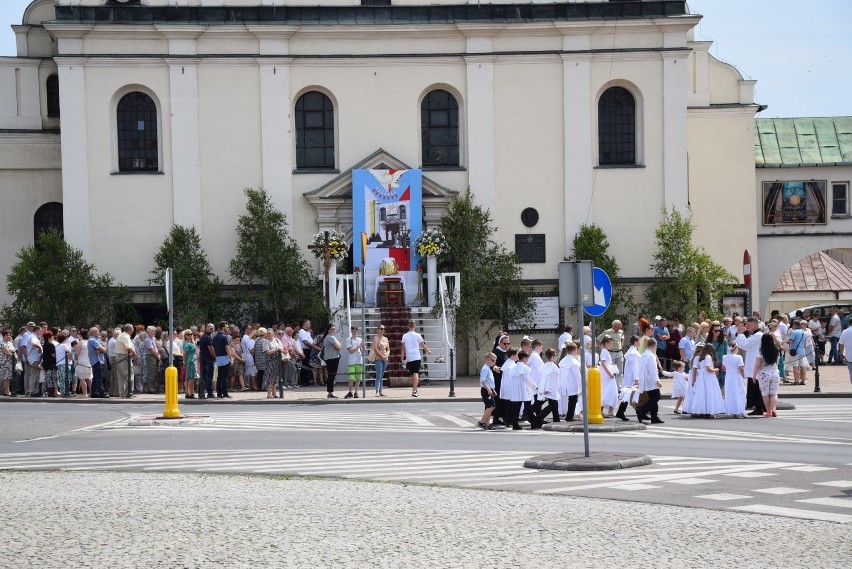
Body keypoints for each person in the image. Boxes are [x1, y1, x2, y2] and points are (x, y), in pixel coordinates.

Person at [736, 318, 766, 416]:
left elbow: (745, 345)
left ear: (754, 325)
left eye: (748, 325)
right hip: (753, 363)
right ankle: (759, 407)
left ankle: (759, 407)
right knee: (755, 386)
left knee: (757, 387)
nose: (747, 327)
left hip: (755, 364)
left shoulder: (758, 335)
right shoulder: (756, 335)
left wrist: (740, 334)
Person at [689, 344, 725, 418]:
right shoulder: (708, 357)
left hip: (702, 377)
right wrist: (716, 369)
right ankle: (709, 411)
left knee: (702, 394)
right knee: (709, 393)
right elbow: (708, 368)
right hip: (708, 377)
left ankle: (701, 410)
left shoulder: (702, 357)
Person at [506, 351, 540, 430]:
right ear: (524, 358)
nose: (527, 360)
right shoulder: (525, 368)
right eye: (527, 358)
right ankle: (534, 424)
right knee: (528, 409)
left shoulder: (514, 368)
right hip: (524, 391)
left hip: (516, 391)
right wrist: (535, 387)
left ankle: (515, 424)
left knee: (516, 409)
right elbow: (528, 380)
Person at [635, 338, 664, 424]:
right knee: (656, 396)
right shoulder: (651, 356)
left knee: (652, 397)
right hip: (651, 379)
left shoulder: (644, 354)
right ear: (654, 346)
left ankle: (654, 417)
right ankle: (641, 410)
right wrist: (657, 380)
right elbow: (653, 370)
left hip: (645, 379)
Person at [400, 319, 431, 398]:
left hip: (409, 357)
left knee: (411, 374)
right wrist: (428, 351)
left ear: (408, 326)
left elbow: (403, 348)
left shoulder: (404, 336)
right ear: (415, 326)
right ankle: (414, 390)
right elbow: (422, 345)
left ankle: (414, 389)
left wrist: (402, 358)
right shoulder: (418, 335)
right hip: (416, 356)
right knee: (416, 373)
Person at [754, 333, 781, 417]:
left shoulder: (761, 351)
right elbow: (778, 362)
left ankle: (768, 411)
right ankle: (774, 409)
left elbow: (758, 365)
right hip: (775, 372)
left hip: (764, 373)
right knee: (774, 393)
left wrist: (754, 375)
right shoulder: (776, 350)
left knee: (765, 394)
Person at [616, 336, 641, 421]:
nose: (640, 343)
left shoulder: (631, 352)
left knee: (628, 395)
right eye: (639, 341)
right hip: (633, 378)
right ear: (635, 342)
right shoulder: (634, 353)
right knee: (632, 395)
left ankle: (620, 412)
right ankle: (640, 413)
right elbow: (635, 367)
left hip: (629, 377)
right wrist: (637, 379)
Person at [536, 348, 561, 423]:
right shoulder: (553, 366)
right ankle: (539, 417)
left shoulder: (545, 365)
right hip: (551, 388)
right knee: (553, 404)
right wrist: (548, 388)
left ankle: (556, 419)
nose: (556, 356)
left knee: (554, 403)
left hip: (548, 387)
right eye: (555, 355)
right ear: (552, 356)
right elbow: (550, 379)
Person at [597, 320, 624, 386]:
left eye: (620, 326)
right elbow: (598, 339)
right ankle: (610, 384)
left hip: (619, 352)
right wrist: (603, 347)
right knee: (610, 369)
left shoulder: (621, 332)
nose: (620, 327)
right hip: (611, 353)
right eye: (618, 326)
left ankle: (619, 387)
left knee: (620, 371)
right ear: (614, 326)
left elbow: (622, 338)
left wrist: (621, 344)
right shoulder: (608, 332)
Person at [560, 343, 582, 421]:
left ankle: (569, 416)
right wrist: (582, 384)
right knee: (573, 400)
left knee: (571, 400)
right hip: (572, 383)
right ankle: (569, 417)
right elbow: (577, 375)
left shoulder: (563, 360)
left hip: (565, 383)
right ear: (575, 350)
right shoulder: (574, 361)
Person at [723, 346, 746, 418]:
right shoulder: (738, 357)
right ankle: (739, 410)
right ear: (735, 348)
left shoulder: (725, 357)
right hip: (736, 375)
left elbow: (724, 366)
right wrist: (744, 375)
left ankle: (732, 410)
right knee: (739, 391)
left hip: (729, 375)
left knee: (730, 392)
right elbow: (741, 368)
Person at [598, 336, 618, 417]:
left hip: (607, 375)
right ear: (606, 343)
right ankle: (606, 410)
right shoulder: (604, 351)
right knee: (608, 392)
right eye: (611, 343)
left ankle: (609, 410)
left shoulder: (605, 351)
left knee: (610, 392)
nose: (612, 345)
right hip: (606, 375)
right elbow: (603, 363)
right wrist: (609, 373)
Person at [322, 324, 342, 399]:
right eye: (332, 329)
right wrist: (338, 345)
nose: (333, 330)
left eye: (334, 329)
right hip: (332, 358)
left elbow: (339, 346)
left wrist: (338, 345)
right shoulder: (330, 338)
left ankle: (330, 392)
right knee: (331, 375)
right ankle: (330, 392)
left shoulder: (331, 337)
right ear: (328, 330)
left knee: (332, 375)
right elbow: (339, 347)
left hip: (332, 358)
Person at [478, 352, 497, 430]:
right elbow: (483, 380)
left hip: (489, 389)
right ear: (488, 360)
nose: (494, 362)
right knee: (491, 407)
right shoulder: (485, 369)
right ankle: (482, 422)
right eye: (493, 360)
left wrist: (492, 389)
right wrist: (489, 389)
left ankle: (487, 423)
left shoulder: (488, 368)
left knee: (490, 407)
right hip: (486, 390)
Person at [369, 324, 390, 397]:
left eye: (383, 329)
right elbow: (375, 349)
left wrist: (386, 355)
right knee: (378, 375)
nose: (382, 330)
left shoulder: (386, 339)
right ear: (377, 330)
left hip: (385, 358)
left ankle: (381, 391)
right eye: (381, 329)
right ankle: (377, 392)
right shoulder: (376, 338)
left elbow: (388, 349)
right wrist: (382, 356)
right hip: (378, 358)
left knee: (382, 375)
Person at [88, 326, 108, 398]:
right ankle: (101, 392)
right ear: (93, 333)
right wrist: (102, 349)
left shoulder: (95, 340)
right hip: (97, 361)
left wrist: (101, 349)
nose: (98, 332)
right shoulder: (92, 340)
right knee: (99, 377)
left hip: (97, 361)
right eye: (97, 331)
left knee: (96, 377)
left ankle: (94, 392)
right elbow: (103, 349)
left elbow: (104, 348)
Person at [344, 326, 363, 399]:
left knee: (358, 378)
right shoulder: (348, 339)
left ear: (357, 332)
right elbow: (350, 350)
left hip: (359, 361)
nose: (353, 333)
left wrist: (363, 347)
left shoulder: (360, 339)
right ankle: (350, 392)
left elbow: (362, 349)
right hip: (351, 361)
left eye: (355, 331)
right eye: (352, 331)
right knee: (351, 378)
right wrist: (359, 346)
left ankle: (356, 392)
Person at [74, 329, 91, 398]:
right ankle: (91, 392)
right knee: (89, 378)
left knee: (82, 378)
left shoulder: (80, 343)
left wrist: (74, 358)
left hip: (81, 362)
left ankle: (85, 393)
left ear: (81, 335)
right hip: (89, 361)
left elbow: (77, 354)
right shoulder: (89, 342)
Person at [182, 330, 197, 399]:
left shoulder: (190, 342)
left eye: (191, 334)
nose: (190, 336)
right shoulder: (186, 344)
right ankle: (190, 393)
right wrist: (185, 362)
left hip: (193, 360)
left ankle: (188, 393)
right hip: (190, 361)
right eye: (188, 334)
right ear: (185, 336)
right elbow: (184, 354)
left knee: (190, 377)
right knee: (190, 377)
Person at [0, 329, 15, 396]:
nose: (9, 336)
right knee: (5, 377)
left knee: (9, 377)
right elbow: (7, 353)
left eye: (9, 335)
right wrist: (14, 356)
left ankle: (6, 390)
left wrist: (15, 355)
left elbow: (14, 351)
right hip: (4, 363)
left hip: (10, 362)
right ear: (4, 336)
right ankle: (6, 391)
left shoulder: (10, 343)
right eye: (7, 335)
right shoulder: (2, 343)